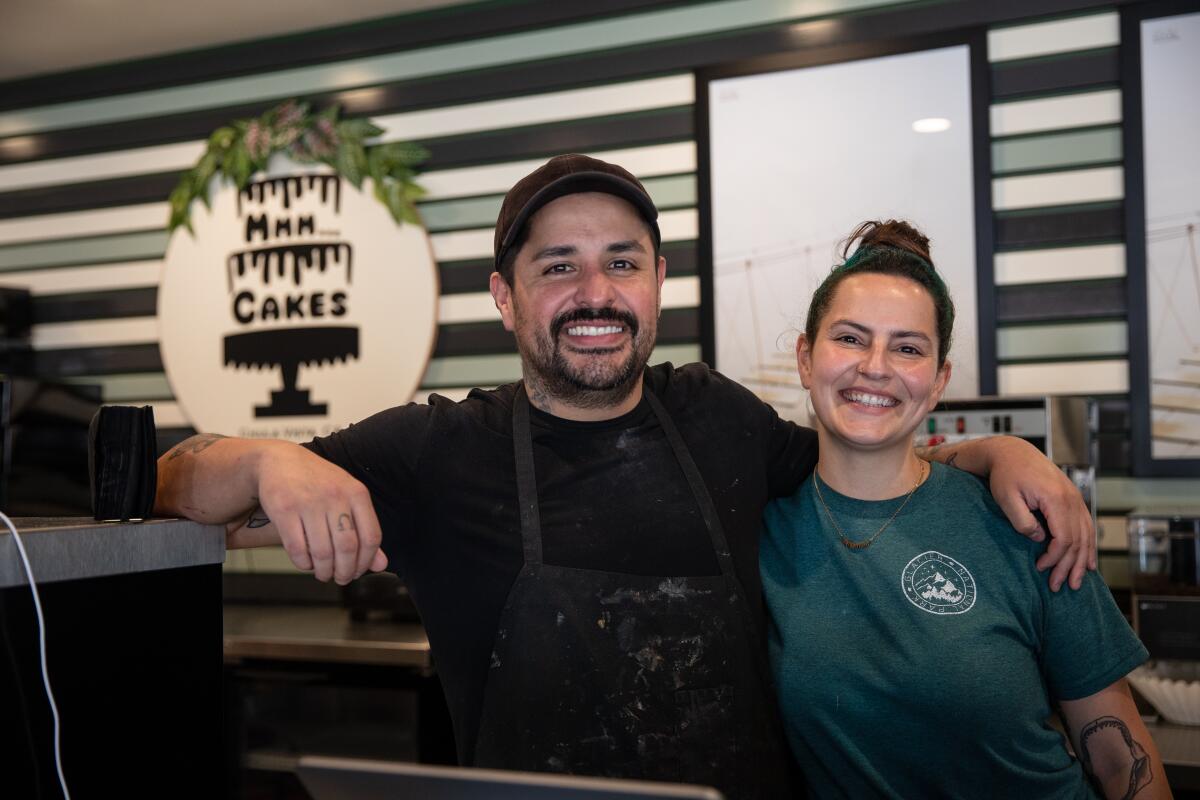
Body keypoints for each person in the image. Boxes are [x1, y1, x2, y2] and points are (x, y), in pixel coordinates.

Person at [156, 155, 1097, 799]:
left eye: (621, 264)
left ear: (656, 284)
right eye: (557, 267)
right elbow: (171, 490)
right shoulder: (435, 451)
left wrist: (993, 452)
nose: (595, 294)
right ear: (503, 295)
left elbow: (866, 457)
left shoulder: (721, 420)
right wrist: (263, 457)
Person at [761, 220, 1167, 799]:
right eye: (850, 338)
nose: (875, 366)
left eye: (907, 348)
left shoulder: (1025, 520)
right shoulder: (760, 527)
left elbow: (1119, 756)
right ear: (805, 359)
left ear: (937, 382)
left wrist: (1005, 452)